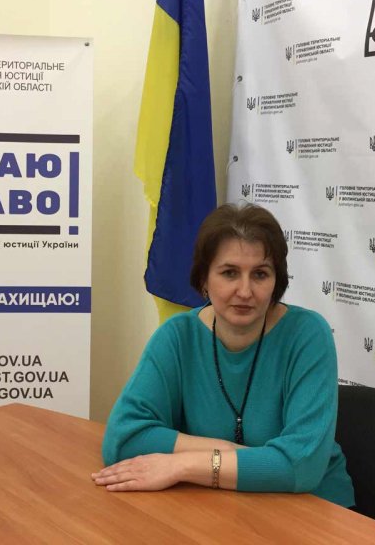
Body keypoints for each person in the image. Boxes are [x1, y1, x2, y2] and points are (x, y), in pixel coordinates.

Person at [92, 203, 354, 508]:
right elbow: (122, 439)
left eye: (260, 274)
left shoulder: (307, 334)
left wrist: (183, 464)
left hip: (312, 507)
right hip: (223, 505)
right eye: (229, 273)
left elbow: (301, 467)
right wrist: (234, 453)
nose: (245, 291)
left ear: (276, 281)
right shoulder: (178, 336)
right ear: (204, 278)